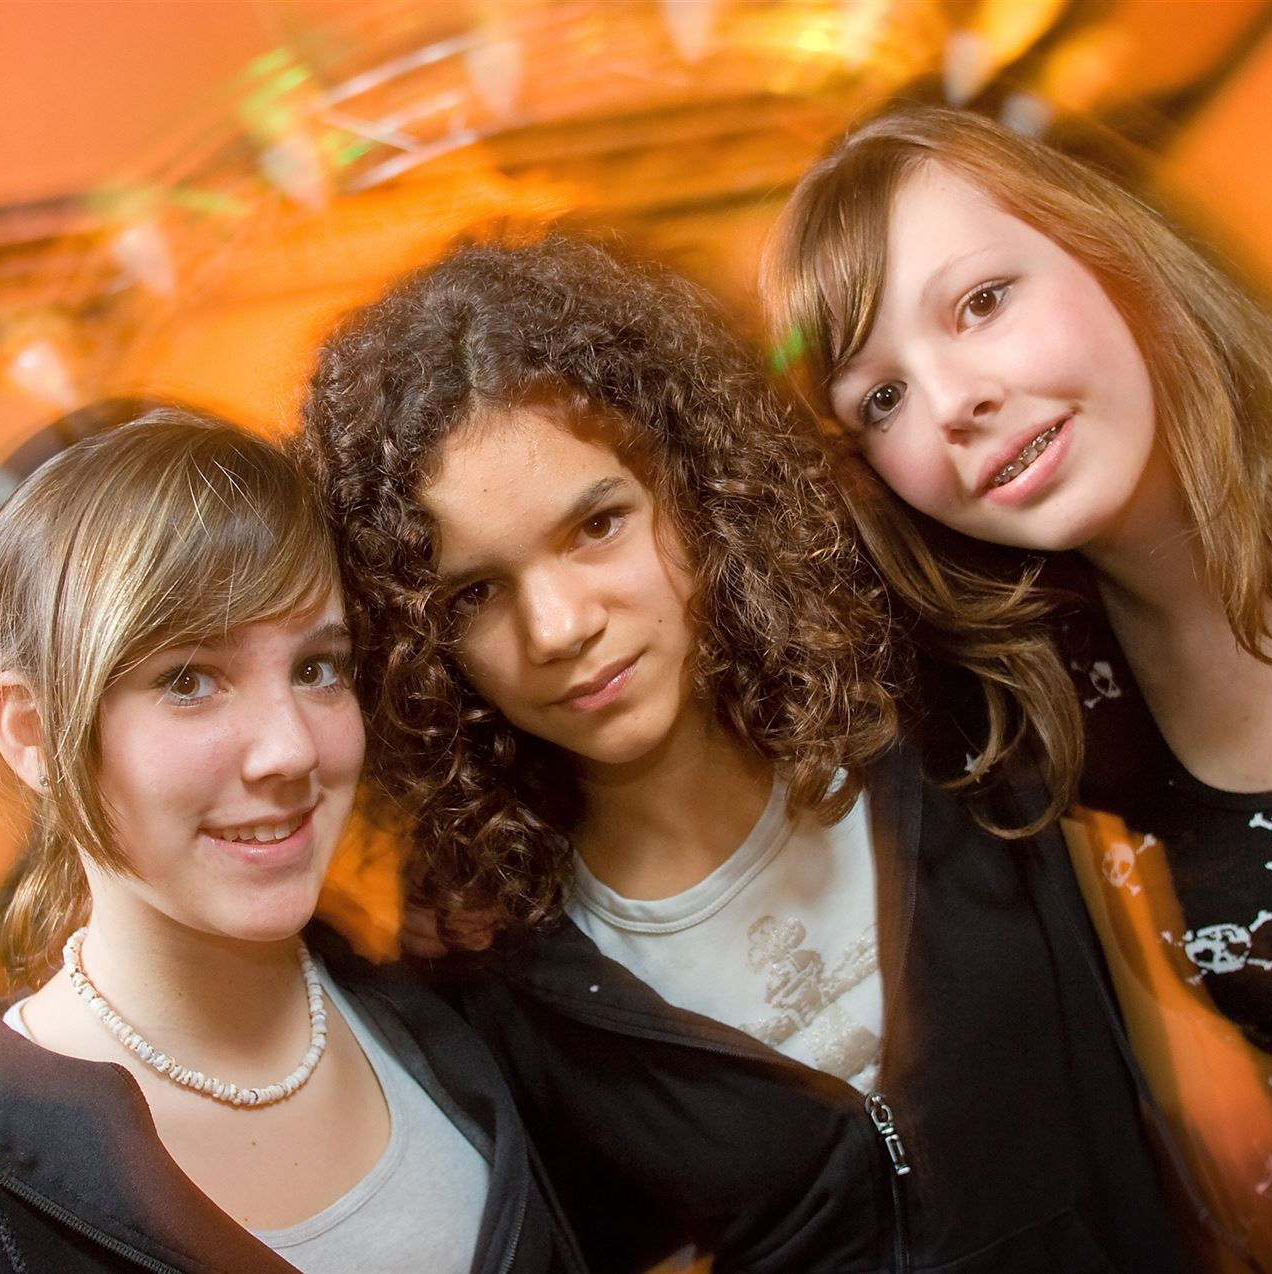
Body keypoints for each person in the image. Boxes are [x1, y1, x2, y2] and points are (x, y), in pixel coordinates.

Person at [300, 235, 1189, 1273]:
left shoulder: (935, 690)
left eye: (597, 525)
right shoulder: (497, 969)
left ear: (699, 489)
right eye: (474, 594)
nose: (557, 627)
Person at [767, 103, 1272, 1270]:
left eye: (981, 301)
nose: (950, 401)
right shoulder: (1070, 691)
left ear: (1111, 253)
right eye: (880, 398)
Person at [0, 408, 580, 1274]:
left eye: (317, 668)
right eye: (189, 680)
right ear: (32, 731)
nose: (290, 749)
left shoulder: (447, 1029)